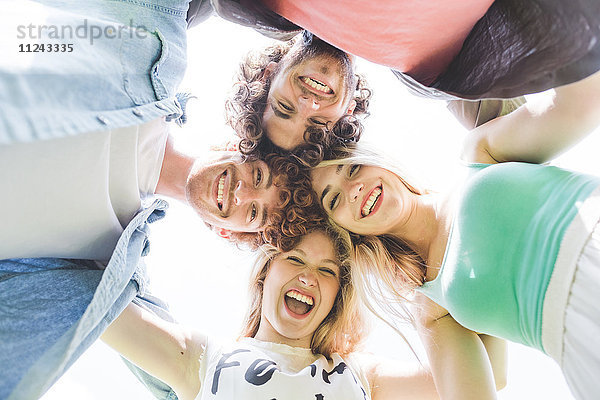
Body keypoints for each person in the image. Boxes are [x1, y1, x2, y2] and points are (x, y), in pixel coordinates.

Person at [309, 71, 600, 399]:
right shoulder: (431, 305)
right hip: (582, 349)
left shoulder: (480, 154)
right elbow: (488, 384)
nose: (353, 189)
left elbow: (582, 103)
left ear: (377, 162)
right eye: (333, 199)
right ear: (344, 229)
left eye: (353, 168)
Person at [101, 225, 440, 400]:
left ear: (338, 296)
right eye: (295, 259)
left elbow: (487, 374)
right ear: (264, 275)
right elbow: (98, 306)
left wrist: (419, 273)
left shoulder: (361, 375)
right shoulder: (204, 358)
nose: (308, 277)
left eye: (327, 271)